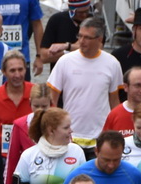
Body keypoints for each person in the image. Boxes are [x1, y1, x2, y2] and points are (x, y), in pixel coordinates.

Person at [45, 17, 118, 146]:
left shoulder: (112, 63)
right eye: (80, 36)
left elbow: (114, 102)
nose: (81, 41)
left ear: (99, 39)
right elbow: (52, 100)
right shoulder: (65, 61)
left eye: (87, 38)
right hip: (70, 136)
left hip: (101, 137)